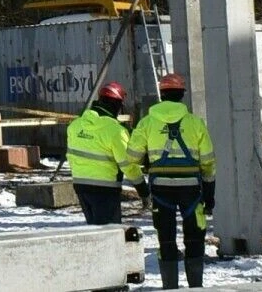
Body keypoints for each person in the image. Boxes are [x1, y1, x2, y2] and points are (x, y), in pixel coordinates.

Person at [122, 72, 216, 289]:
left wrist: (142, 188)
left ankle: (170, 287)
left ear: (162, 95)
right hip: (191, 190)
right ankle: (195, 286)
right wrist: (210, 194)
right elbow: (209, 162)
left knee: (166, 240)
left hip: (161, 189)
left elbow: (131, 159)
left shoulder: (147, 123)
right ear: (182, 94)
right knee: (194, 238)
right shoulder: (195, 123)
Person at [65, 81, 130, 225]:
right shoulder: (116, 131)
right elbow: (127, 164)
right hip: (106, 188)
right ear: (117, 104)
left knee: (94, 229)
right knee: (109, 232)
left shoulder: (75, 126)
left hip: (80, 184)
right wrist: (142, 189)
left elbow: (70, 156)